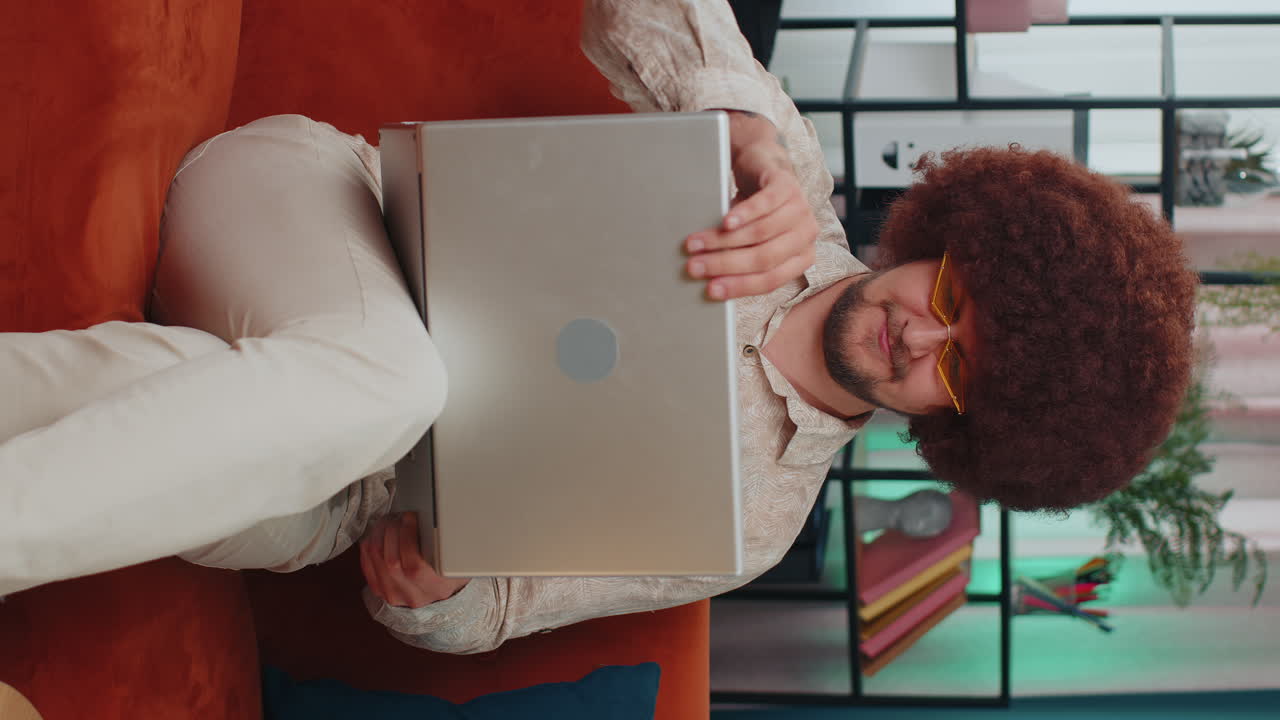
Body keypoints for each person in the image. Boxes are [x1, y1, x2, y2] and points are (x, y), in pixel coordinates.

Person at [0, 0, 1195, 657]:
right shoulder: (784, 180)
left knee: (198, 432)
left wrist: (433, 591)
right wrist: (740, 128)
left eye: (962, 375)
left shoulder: (756, 524)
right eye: (948, 303)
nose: (917, 343)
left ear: (965, 433)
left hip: (317, 488)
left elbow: (496, 614)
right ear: (947, 243)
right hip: (305, 208)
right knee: (390, 378)